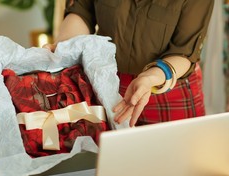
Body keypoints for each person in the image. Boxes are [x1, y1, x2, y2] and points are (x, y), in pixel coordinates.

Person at [44, 0, 214, 127]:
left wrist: (150, 77)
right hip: (107, 83)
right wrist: (66, 46)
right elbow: (82, 11)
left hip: (168, 85)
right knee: (111, 166)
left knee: (178, 165)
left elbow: (184, 51)